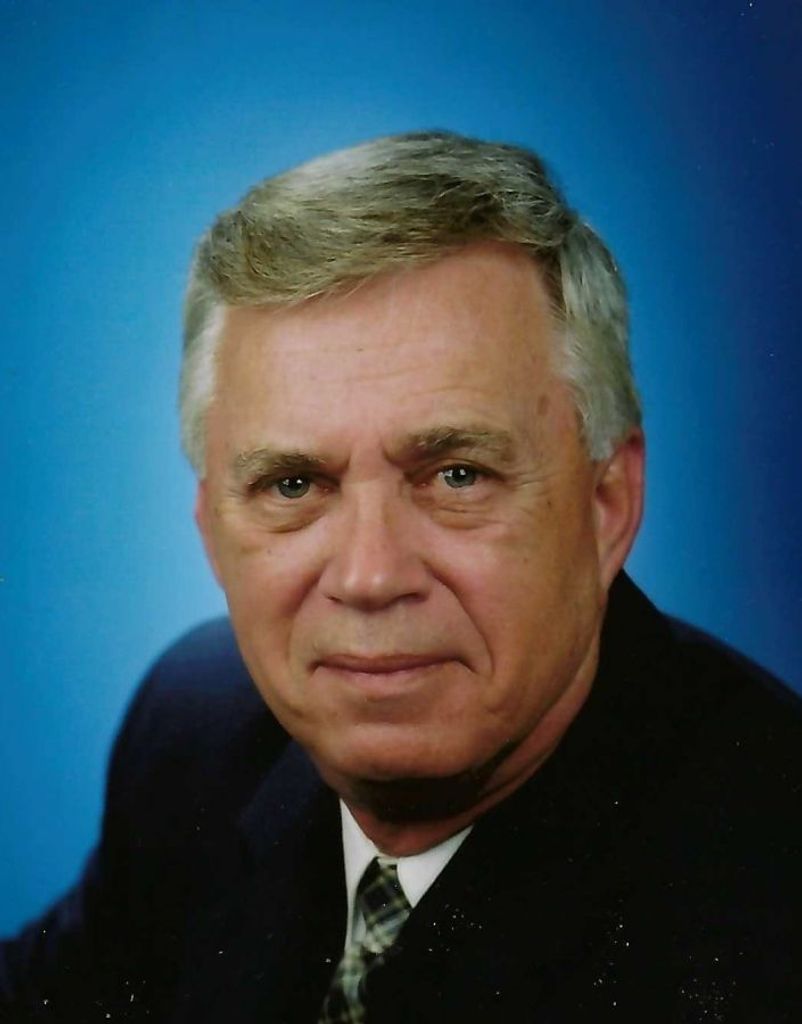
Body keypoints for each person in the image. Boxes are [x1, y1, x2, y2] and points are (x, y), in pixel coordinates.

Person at [2, 131, 800, 1023]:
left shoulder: (764, 905)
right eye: (293, 485)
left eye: (457, 475)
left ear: (606, 504)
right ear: (211, 531)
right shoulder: (198, 731)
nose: (371, 575)